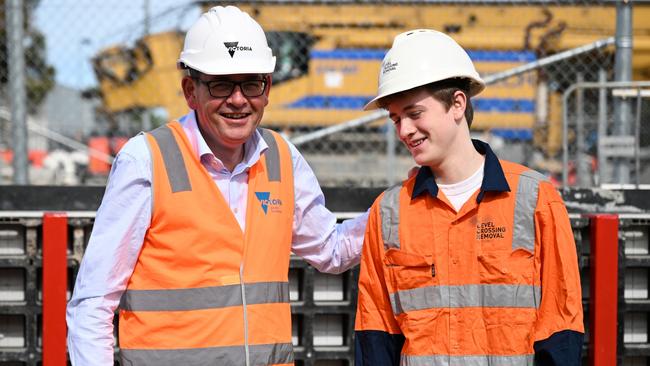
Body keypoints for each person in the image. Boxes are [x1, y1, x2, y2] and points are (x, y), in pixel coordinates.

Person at [66, 6, 369, 366]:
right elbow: (94, 303)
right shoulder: (146, 160)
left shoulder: (282, 158)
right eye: (222, 84)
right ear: (190, 91)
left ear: (267, 88)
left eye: (251, 83)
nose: (238, 99)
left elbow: (330, 250)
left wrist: (395, 211)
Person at [354, 29, 584, 366]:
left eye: (415, 114)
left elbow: (561, 330)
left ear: (457, 103)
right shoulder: (389, 212)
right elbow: (375, 338)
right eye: (396, 119)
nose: (404, 131)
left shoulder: (536, 199)